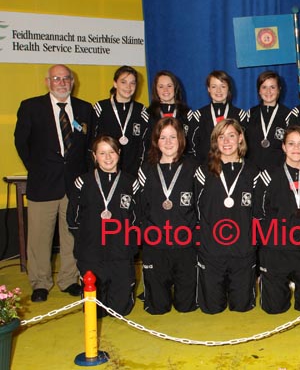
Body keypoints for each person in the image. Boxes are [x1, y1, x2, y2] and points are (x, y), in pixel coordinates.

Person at [14, 64, 93, 302]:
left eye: (66, 78)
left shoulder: (84, 109)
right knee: (39, 237)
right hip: (43, 184)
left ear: (73, 82)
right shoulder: (31, 107)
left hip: (73, 185)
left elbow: (88, 146)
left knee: (72, 235)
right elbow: (21, 143)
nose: (62, 82)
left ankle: (69, 279)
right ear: (48, 82)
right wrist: (37, 170)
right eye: (56, 79)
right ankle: (40, 282)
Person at [254, 125, 300, 314]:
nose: (296, 148)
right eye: (291, 143)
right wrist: (265, 240)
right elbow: (258, 211)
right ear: (283, 147)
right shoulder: (268, 175)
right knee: (273, 309)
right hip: (276, 248)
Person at [67, 136, 138, 317]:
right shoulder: (82, 182)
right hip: (92, 253)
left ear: (119, 154)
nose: (108, 158)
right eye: (102, 153)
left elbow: (137, 220)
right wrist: (86, 243)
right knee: (94, 312)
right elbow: (73, 219)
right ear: (94, 156)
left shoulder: (131, 183)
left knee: (120, 311)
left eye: (112, 152)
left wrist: (129, 247)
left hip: (120, 254)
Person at [195, 119, 261, 313]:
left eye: (231, 135)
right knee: (211, 309)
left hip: (242, 250)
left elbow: (257, 213)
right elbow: (196, 210)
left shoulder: (252, 172)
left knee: (242, 307)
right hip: (212, 250)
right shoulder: (203, 172)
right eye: (221, 137)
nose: (226, 141)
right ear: (215, 141)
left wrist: (253, 243)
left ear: (240, 138)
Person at [137, 117, 200, 314]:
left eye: (173, 136)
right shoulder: (145, 169)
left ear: (181, 139)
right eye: (163, 137)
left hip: (185, 243)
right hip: (156, 244)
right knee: (157, 308)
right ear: (156, 140)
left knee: (186, 307)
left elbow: (201, 204)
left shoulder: (194, 167)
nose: (168, 142)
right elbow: (140, 208)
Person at [93, 65, 149, 175]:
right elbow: (92, 142)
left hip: (133, 175)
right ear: (115, 83)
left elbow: (146, 145)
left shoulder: (141, 110)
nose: (128, 87)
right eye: (123, 82)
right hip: (104, 172)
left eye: (132, 83)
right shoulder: (100, 108)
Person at [188, 70, 248, 164]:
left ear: (228, 88)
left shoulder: (240, 115)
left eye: (223, 86)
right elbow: (192, 147)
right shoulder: (198, 116)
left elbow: (245, 145)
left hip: (234, 168)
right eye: (214, 86)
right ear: (208, 89)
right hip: (206, 168)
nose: (218, 91)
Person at [246, 71, 293, 171]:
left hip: (278, 173)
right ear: (259, 90)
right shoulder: (250, 114)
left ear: (279, 90)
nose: (268, 91)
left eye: (272, 87)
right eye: (264, 87)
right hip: (252, 172)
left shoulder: (288, 115)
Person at [146, 70, 191, 154]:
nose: (165, 90)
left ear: (175, 88)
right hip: (156, 162)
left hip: (182, 162)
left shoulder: (187, 114)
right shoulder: (147, 114)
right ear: (156, 89)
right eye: (161, 86)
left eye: (169, 86)